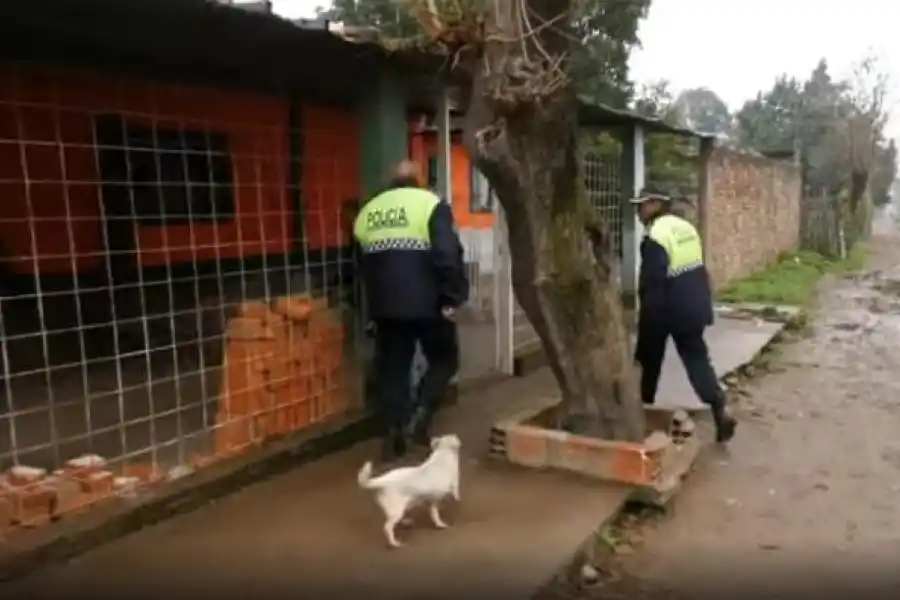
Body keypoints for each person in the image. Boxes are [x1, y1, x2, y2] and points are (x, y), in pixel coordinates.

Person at [353, 159, 469, 461]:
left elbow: (361, 265)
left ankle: (394, 433)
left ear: (390, 181)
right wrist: (452, 296)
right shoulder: (430, 204)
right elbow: (447, 254)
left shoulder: (368, 211)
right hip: (428, 304)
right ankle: (419, 417)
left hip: (385, 308)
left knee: (393, 369)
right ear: (419, 179)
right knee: (445, 359)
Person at [631, 188, 737, 443]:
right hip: (695, 302)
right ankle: (719, 406)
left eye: (641, 205)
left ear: (655, 204)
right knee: (697, 360)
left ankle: (640, 416)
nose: (637, 212)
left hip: (667, 304)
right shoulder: (686, 227)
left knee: (647, 362)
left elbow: (652, 281)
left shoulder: (656, 234)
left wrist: (646, 320)